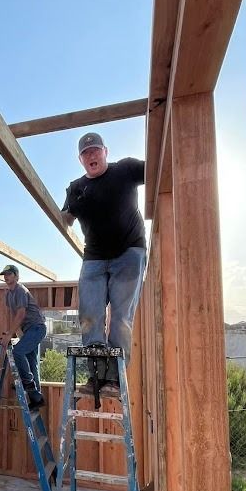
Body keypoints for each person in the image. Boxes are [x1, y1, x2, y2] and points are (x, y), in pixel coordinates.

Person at [61, 132, 147, 398]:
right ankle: (97, 376)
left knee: (120, 318)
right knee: (90, 316)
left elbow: (160, 170)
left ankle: (115, 381)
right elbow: (65, 219)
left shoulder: (127, 169)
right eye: (86, 153)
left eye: (96, 150)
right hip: (94, 258)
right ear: (80, 159)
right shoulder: (75, 187)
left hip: (129, 252)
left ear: (106, 152)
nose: (92, 156)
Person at [0, 264, 47, 408]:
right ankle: (37, 399)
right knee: (32, 362)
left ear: (16, 276)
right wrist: (18, 335)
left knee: (18, 351)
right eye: (4, 275)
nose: (6, 277)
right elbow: (15, 316)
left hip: (37, 328)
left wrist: (8, 336)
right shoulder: (9, 294)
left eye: (9, 274)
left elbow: (21, 314)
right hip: (28, 331)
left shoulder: (20, 290)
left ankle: (27, 383)